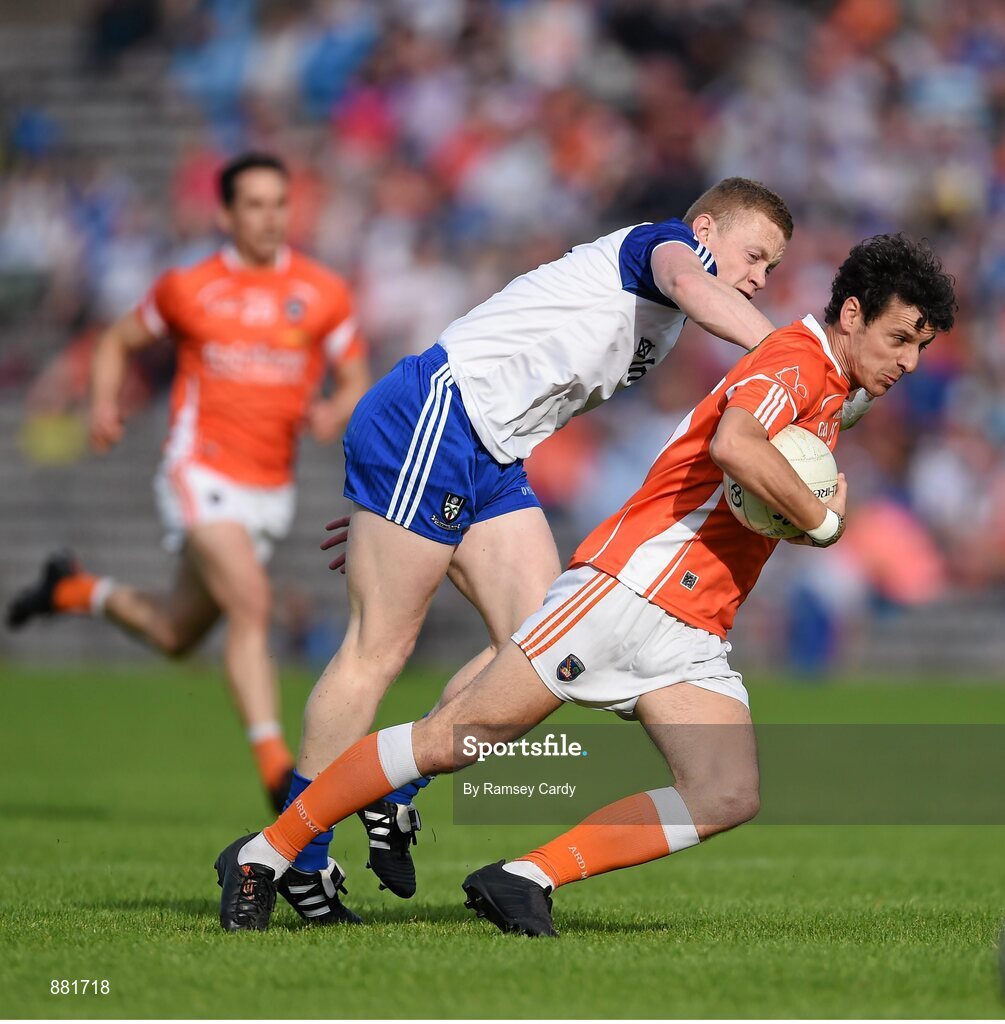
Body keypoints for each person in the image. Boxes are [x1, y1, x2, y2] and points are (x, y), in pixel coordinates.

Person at [214, 232, 956, 935]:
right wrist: (821, 523)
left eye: (921, 347)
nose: (910, 363)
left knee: (725, 792)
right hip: (628, 590)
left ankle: (524, 877)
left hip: (693, 623)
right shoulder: (792, 358)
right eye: (899, 339)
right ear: (850, 315)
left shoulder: (835, 383)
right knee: (452, 741)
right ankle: (265, 852)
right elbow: (736, 444)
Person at [6, 152, 370, 820]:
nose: (269, 217)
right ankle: (276, 770)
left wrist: (333, 408)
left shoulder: (322, 292)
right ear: (226, 213)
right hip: (198, 470)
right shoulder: (190, 287)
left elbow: (353, 377)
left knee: (176, 635)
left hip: (270, 488)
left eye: (278, 203)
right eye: (254, 205)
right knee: (253, 605)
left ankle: (73, 588)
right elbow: (116, 340)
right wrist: (103, 406)